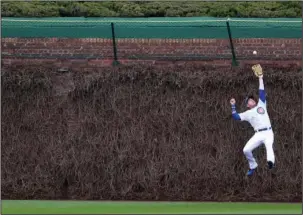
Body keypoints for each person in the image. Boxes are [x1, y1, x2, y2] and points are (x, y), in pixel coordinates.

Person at [230, 70, 275, 176]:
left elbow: (261, 91)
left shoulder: (261, 104)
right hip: (258, 134)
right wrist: (233, 105)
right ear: (247, 105)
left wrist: (260, 78)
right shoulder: (247, 113)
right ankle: (253, 165)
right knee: (246, 150)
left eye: (252, 99)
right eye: (249, 100)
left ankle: (270, 163)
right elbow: (236, 117)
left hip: (268, 132)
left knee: (269, 146)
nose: (251, 100)